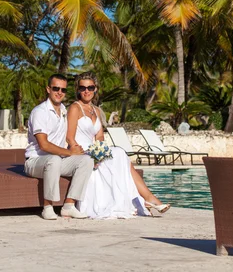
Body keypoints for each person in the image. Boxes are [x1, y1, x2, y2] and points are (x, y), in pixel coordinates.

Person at [66, 71, 171, 219]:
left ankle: (148, 198)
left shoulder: (96, 110)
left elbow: (100, 136)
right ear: (78, 89)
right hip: (82, 152)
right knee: (119, 154)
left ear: (95, 89)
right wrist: (87, 157)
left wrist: (100, 152)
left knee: (119, 153)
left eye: (90, 87)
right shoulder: (75, 108)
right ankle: (148, 198)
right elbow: (70, 138)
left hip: (94, 151)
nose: (86, 91)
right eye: (83, 88)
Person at [25, 73, 94, 220]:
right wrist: (70, 152)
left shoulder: (63, 110)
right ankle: (48, 207)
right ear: (48, 89)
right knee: (54, 160)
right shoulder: (40, 112)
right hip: (35, 161)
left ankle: (69, 205)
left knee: (86, 161)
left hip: (56, 160)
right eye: (56, 88)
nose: (59, 92)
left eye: (63, 90)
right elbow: (43, 145)